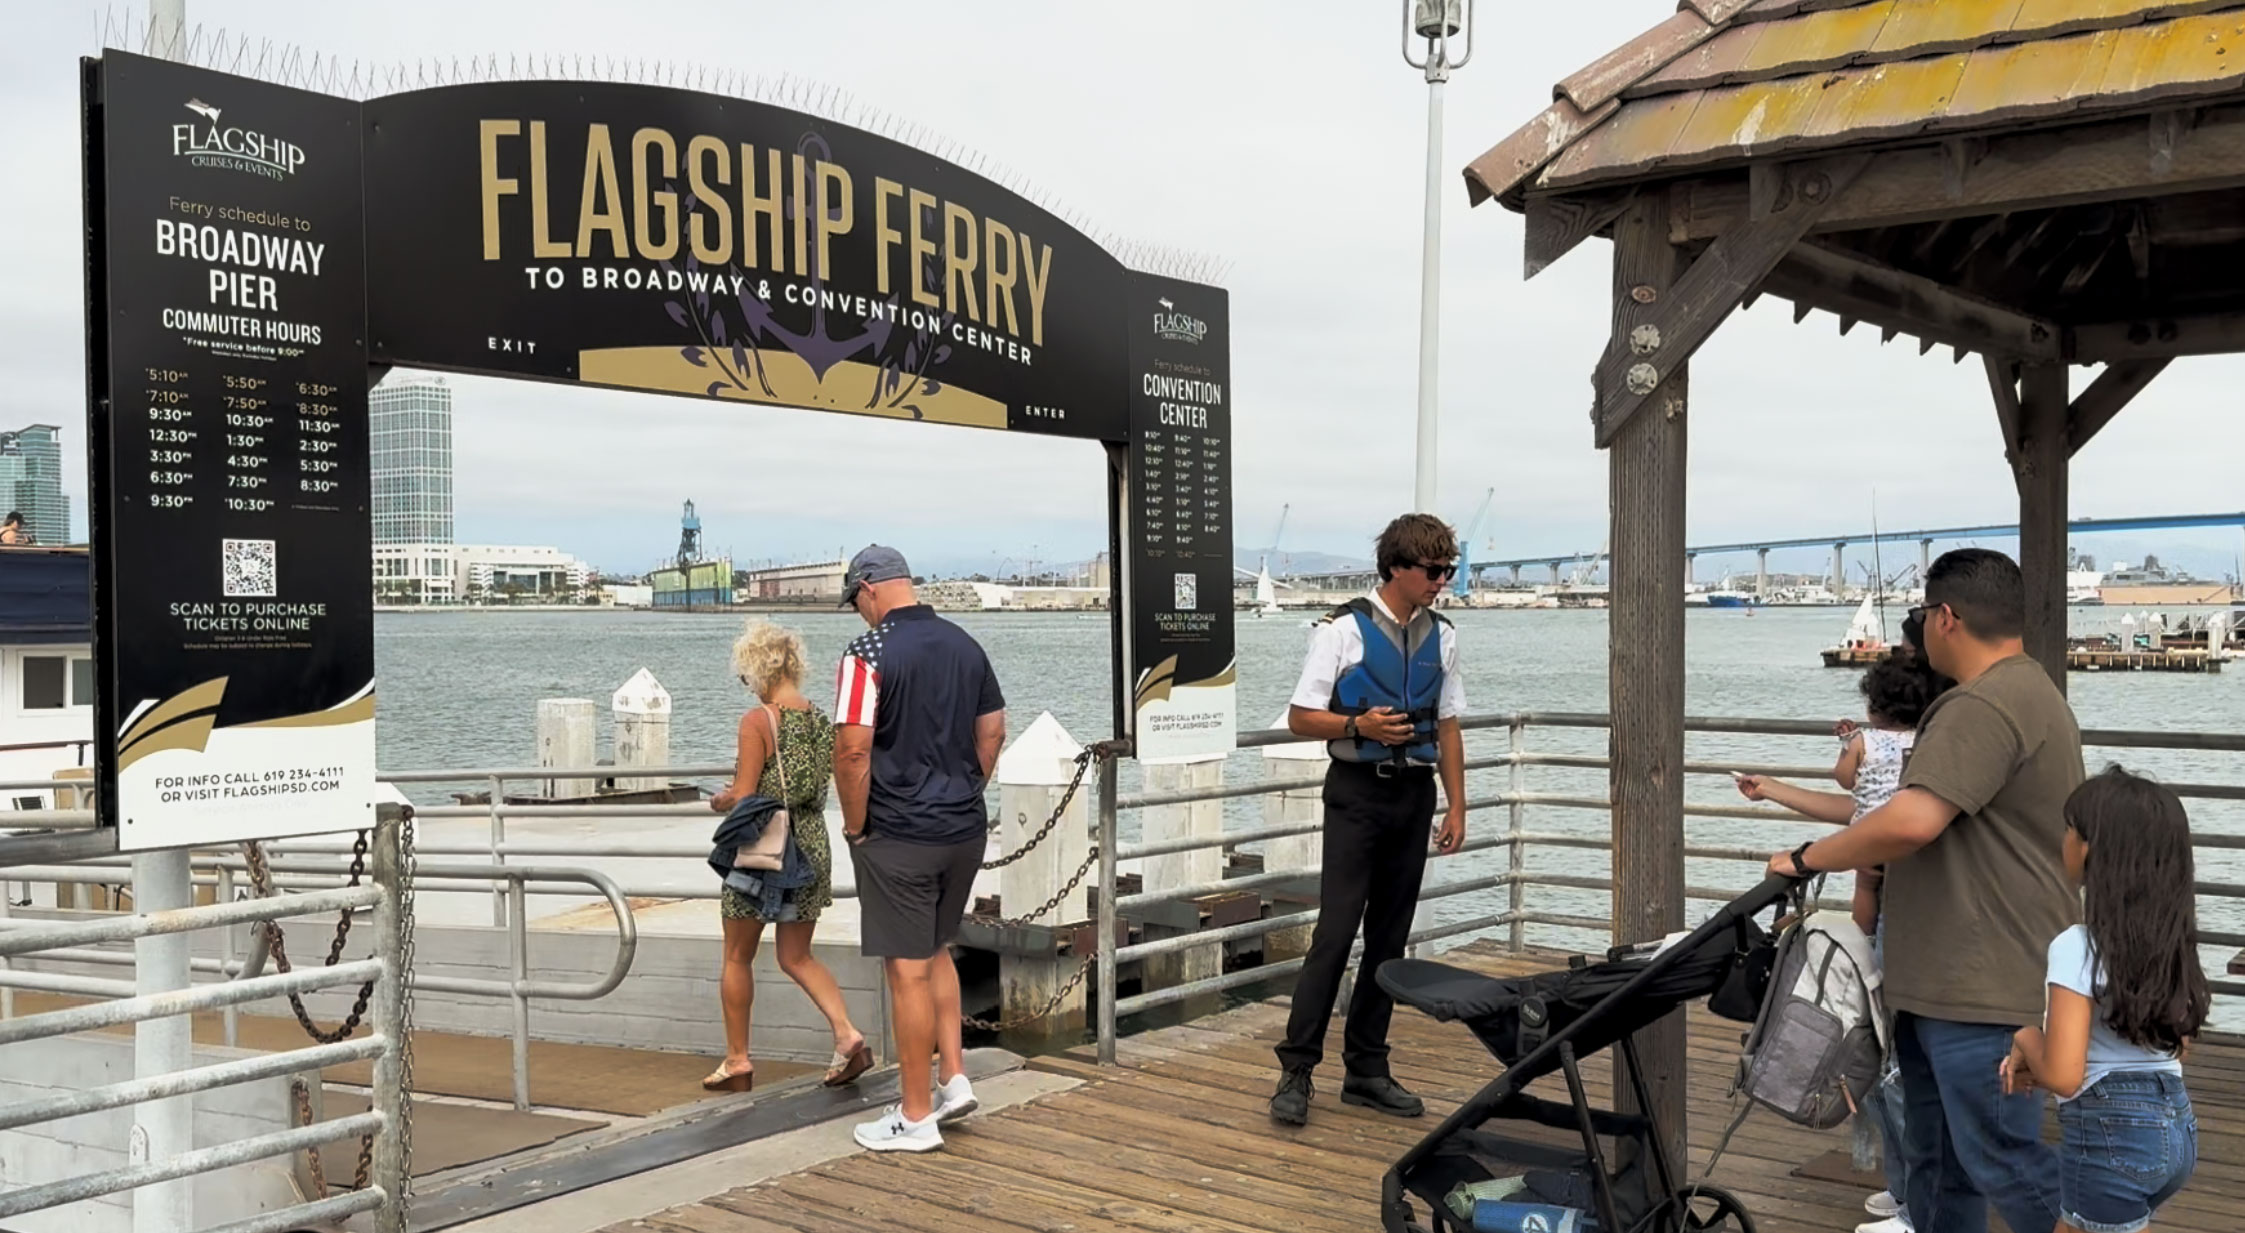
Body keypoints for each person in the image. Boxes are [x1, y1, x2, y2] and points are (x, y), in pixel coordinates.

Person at [1765, 548, 2079, 1233]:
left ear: (1945, 617)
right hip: (1947, 980)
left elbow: (1911, 819)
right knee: (1941, 1166)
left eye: (1918, 617)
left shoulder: (1983, 703)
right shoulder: (2028, 691)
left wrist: (1804, 855)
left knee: (2002, 1160)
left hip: (1981, 985)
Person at [1270, 513, 1468, 1127]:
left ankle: (1367, 1069)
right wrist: (1359, 726)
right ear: (1398, 568)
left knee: (1389, 938)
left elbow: (1451, 723)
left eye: (1447, 570)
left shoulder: (1446, 636)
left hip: (1413, 797)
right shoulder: (1342, 632)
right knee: (1334, 935)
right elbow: (1303, 716)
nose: (1441, 581)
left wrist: (1457, 801)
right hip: (1356, 794)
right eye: (1432, 571)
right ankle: (1297, 1070)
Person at [1738, 649, 1942, 1233]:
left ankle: (1914, 1206)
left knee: (1890, 1066)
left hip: (1891, 909)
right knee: (1888, 1064)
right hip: (1895, 899)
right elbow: (1858, 810)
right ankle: (1905, 1190)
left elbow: (1850, 793)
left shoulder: (1871, 748)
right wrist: (1775, 789)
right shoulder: (1926, 752)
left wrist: (1848, 745)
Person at [832, 545, 1005, 1153]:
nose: (857, 612)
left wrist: (857, 828)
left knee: (905, 967)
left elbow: (853, 750)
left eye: (855, 600)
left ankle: (914, 1116)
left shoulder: (867, 652)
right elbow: (993, 732)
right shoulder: (965, 643)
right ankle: (954, 1078)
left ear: (871, 589)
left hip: (899, 833)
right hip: (963, 827)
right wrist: (964, 789)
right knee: (936, 949)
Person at [2004, 768, 2205, 1233]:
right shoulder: (2172, 942)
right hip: (2177, 1130)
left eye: (2069, 830)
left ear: (2090, 849)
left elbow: (2064, 1076)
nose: (2064, 840)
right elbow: (2180, 1046)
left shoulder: (2077, 945)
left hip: (2111, 1139)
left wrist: (2026, 1039)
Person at [701, 620, 870, 1094]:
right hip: (811, 844)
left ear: (759, 668)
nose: (747, 684)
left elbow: (746, 795)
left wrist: (721, 800)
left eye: (745, 674)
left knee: (737, 955)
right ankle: (846, 1034)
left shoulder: (758, 721)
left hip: (763, 851)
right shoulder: (821, 720)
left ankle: (737, 1060)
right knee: (797, 955)